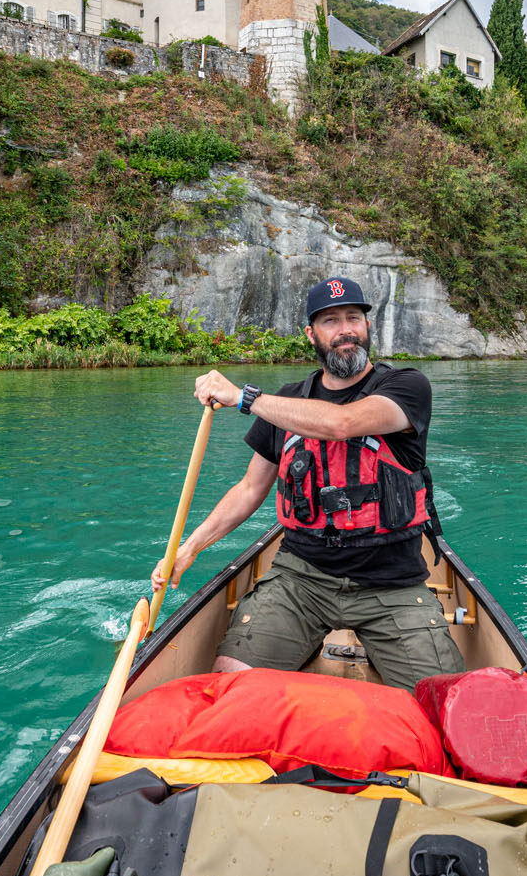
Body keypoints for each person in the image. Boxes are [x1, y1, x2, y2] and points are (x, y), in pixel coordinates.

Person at [152, 276, 465, 693]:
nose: (345, 330)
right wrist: (189, 548)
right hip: (301, 577)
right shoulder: (287, 402)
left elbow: (342, 423)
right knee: (231, 685)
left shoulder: (406, 387)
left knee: (440, 701)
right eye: (331, 321)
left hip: (392, 582)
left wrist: (244, 398)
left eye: (353, 318)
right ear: (311, 334)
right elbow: (250, 489)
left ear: (367, 326)